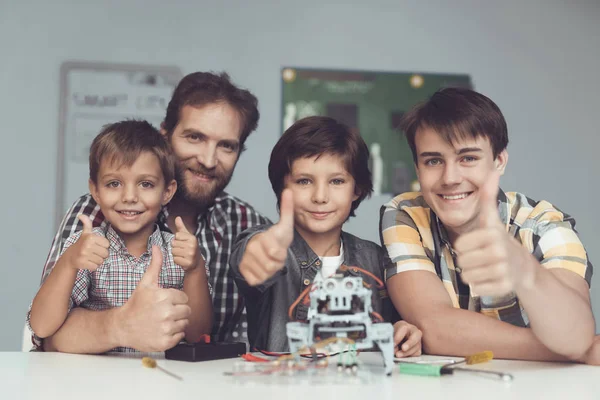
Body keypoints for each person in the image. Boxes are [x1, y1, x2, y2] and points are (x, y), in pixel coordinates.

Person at [36, 72, 269, 353]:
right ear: (165, 136)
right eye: (194, 137)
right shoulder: (97, 213)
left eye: (226, 146)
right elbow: (48, 337)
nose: (208, 160)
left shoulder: (249, 227)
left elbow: (250, 343)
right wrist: (122, 324)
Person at [380, 87, 598, 364]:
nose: (450, 178)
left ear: (499, 161)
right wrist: (571, 350)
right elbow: (434, 328)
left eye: (468, 158)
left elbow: (574, 332)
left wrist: (524, 270)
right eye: (434, 161)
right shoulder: (404, 214)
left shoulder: (544, 224)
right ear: (418, 168)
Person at [230, 116, 422, 356]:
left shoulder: (375, 259)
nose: (320, 196)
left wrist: (403, 332)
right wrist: (257, 252)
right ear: (282, 188)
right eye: (304, 181)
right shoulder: (268, 244)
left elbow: (391, 328)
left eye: (337, 181)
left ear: (357, 189)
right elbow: (248, 256)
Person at [28, 120, 212, 352]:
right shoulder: (85, 248)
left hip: (159, 381)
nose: (129, 196)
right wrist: (69, 262)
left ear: (167, 192)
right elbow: (42, 327)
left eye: (145, 184)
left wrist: (195, 269)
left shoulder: (179, 253)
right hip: (94, 381)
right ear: (95, 190)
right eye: (114, 183)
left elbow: (199, 336)